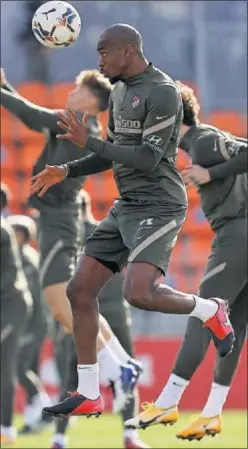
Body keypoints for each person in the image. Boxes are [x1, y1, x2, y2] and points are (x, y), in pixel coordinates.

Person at [31, 23, 234, 419]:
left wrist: (85, 140)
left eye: (104, 52)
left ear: (127, 50)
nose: (99, 61)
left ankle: (210, 310)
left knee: (138, 293)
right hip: (128, 204)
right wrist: (68, 170)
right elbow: (113, 153)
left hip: (159, 204)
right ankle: (89, 391)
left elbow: (146, 158)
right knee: (79, 291)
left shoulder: (163, 92)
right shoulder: (121, 92)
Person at [0, 68, 140, 405]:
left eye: (76, 89)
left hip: (57, 222)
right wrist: (5, 85)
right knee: (67, 303)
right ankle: (122, 364)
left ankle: (116, 365)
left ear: (89, 99)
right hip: (59, 221)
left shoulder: (72, 122)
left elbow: (31, 116)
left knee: (60, 302)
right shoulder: (85, 129)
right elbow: (33, 113)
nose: (69, 92)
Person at [124, 82, 247, 435]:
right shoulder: (202, 143)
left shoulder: (205, 139)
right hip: (240, 236)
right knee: (234, 326)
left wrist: (211, 174)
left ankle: (166, 402)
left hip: (236, 237)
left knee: (202, 314)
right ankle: (212, 412)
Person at [50, 190, 147, 449]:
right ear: (89, 205)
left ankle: (59, 437)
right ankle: (130, 434)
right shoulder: (110, 232)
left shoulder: (68, 239)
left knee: (73, 379)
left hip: (83, 315)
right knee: (126, 371)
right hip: (115, 311)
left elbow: (61, 285)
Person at [7, 214, 50, 434]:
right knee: (27, 369)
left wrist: (23, 328)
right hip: (28, 323)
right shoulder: (18, 257)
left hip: (32, 324)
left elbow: (31, 297)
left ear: (26, 236)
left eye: (17, 232)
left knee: (19, 368)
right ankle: (36, 418)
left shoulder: (26, 259)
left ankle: (45, 409)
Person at [0, 184, 33, 445]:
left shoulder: (2, 230)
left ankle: (7, 427)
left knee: (5, 366)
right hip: (8, 303)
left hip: (10, 306)